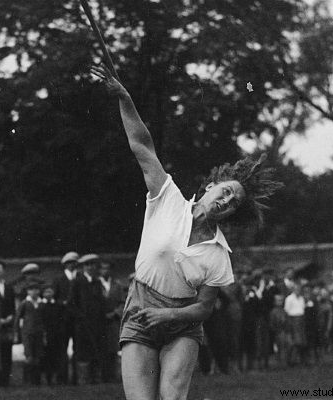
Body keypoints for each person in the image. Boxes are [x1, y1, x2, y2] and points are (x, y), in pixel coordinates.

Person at [91, 65, 282, 400]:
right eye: (224, 191)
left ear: (233, 214)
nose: (225, 200)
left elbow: (205, 308)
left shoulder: (218, 254)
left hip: (182, 321)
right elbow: (142, 144)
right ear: (210, 186)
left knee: (172, 397)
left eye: (233, 202)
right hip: (140, 308)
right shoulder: (167, 197)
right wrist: (125, 99)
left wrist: (169, 314)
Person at [68, 254, 107, 385]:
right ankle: (82, 379)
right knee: (82, 351)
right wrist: (81, 318)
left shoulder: (97, 282)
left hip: (97, 324)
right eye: (87, 265)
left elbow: (101, 303)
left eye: (92, 265)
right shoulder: (77, 282)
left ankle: (95, 378)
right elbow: (71, 304)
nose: (90, 267)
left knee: (96, 350)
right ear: (83, 267)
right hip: (82, 325)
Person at [53, 251, 80, 384]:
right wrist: (62, 303)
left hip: (77, 319)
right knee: (62, 349)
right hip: (63, 319)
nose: (71, 265)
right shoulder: (58, 279)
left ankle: (75, 378)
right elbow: (54, 299)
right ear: (65, 264)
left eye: (74, 263)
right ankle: (62, 378)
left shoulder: (80, 278)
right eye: (69, 263)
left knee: (77, 348)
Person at [99, 261, 125, 382]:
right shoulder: (96, 284)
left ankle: (114, 376)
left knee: (114, 348)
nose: (105, 271)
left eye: (107, 268)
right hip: (100, 321)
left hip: (114, 320)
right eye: (103, 269)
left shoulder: (117, 284)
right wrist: (101, 315)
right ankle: (102, 376)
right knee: (102, 348)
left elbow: (122, 301)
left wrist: (115, 313)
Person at [17, 279, 46, 385]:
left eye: (36, 289)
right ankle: (27, 379)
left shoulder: (42, 303)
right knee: (29, 357)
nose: (34, 292)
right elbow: (18, 318)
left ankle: (36, 380)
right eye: (31, 290)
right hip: (28, 333)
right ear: (28, 292)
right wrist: (18, 333)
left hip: (39, 333)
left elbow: (44, 318)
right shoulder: (25, 303)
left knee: (38, 356)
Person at [0, 260, 16, 387]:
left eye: (0, 269)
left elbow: (12, 305)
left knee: (7, 352)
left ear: (4, 271)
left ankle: (5, 380)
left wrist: (10, 317)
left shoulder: (9, 287)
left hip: (8, 324)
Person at [41, 283, 67, 385]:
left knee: (58, 357)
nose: (48, 293)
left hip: (57, 335)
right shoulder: (41, 306)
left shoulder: (58, 305)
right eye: (46, 291)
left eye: (50, 291)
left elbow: (62, 319)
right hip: (45, 335)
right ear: (43, 294)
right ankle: (48, 379)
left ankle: (60, 379)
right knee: (47, 358)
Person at [284, 284, 306, 366]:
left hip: (301, 320)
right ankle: (290, 361)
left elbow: (302, 309)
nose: (298, 291)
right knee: (294, 342)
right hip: (293, 320)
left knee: (301, 342)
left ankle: (300, 360)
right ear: (293, 290)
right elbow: (287, 311)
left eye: (299, 289)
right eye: (297, 289)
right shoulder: (289, 299)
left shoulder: (302, 298)